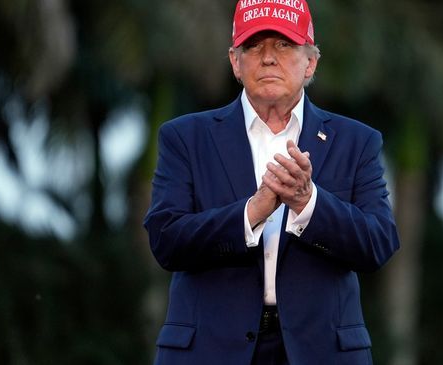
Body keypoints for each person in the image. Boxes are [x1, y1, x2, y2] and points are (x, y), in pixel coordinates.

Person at [144, 0, 400, 364]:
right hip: (209, 350)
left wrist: (308, 203)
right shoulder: (185, 137)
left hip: (321, 351)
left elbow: (378, 243)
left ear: (310, 62)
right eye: (254, 46)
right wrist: (253, 211)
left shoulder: (356, 141)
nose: (267, 58)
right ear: (235, 61)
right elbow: (166, 240)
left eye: (283, 45)